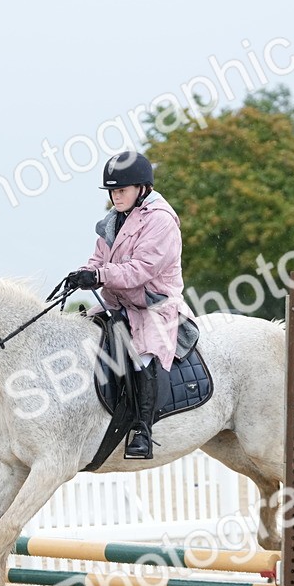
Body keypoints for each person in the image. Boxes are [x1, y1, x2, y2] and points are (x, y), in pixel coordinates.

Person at [65, 151, 193, 460]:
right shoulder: (113, 219)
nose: (115, 196)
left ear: (142, 189)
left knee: (143, 356)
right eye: (112, 190)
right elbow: (98, 260)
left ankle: (141, 430)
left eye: (121, 190)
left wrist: (98, 275)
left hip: (153, 306)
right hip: (118, 304)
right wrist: (83, 273)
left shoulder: (162, 221)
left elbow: (140, 271)